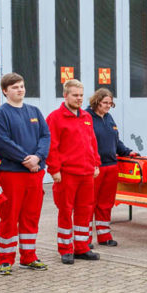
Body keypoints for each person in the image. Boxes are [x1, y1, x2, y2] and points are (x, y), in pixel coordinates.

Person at [0, 73, 50, 275]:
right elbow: (2, 142)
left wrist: (38, 158)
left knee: (31, 216)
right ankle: (5, 260)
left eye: (22, 86)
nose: (20, 90)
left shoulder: (34, 111)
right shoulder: (0, 114)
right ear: (5, 90)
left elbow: (45, 136)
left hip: (34, 174)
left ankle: (29, 257)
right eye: (15, 87)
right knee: (10, 216)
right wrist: (27, 159)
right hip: (11, 173)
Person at [46, 79, 101, 264]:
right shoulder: (55, 118)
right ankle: (65, 249)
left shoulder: (86, 117)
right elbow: (51, 146)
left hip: (86, 173)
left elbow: (92, 143)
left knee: (84, 212)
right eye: (74, 95)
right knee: (65, 211)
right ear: (65, 95)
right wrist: (54, 170)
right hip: (66, 174)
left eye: (80, 95)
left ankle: (82, 247)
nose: (78, 98)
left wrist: (96, 164)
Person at [86, 88, 136, 247]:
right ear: (96, 101)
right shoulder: (87, 118)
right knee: (89, 203)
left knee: (106, 203)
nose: (108, 106)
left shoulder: (108, 118)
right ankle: (84, 240)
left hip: (111, 166)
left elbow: (116, 141)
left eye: (110, 103)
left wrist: (127, 151)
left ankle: (104, 235)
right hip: (94, 168)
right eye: (105, 103)